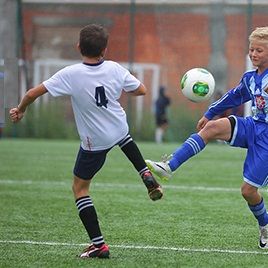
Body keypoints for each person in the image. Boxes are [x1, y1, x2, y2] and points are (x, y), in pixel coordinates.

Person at [9, 24, 163, 259]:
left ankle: (99, 246)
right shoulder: (114, 68)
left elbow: (32, 94)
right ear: (105, 48)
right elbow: (141, 90)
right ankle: (144, 172)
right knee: (123, 135)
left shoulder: (70, 74)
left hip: (95, 141)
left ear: (78, 46)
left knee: (80, 188)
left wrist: (20, 110)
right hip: (119, 128)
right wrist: (122, 87)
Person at [146, 26, 268, 249]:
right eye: (251, 49)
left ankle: (265, 225)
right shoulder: (251, 78)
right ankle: (169, 166)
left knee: (248, 191)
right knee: (211, 128)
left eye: (259, 50)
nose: (253, 54)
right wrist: (209, 113)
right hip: (253, 125)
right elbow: (234, 96)